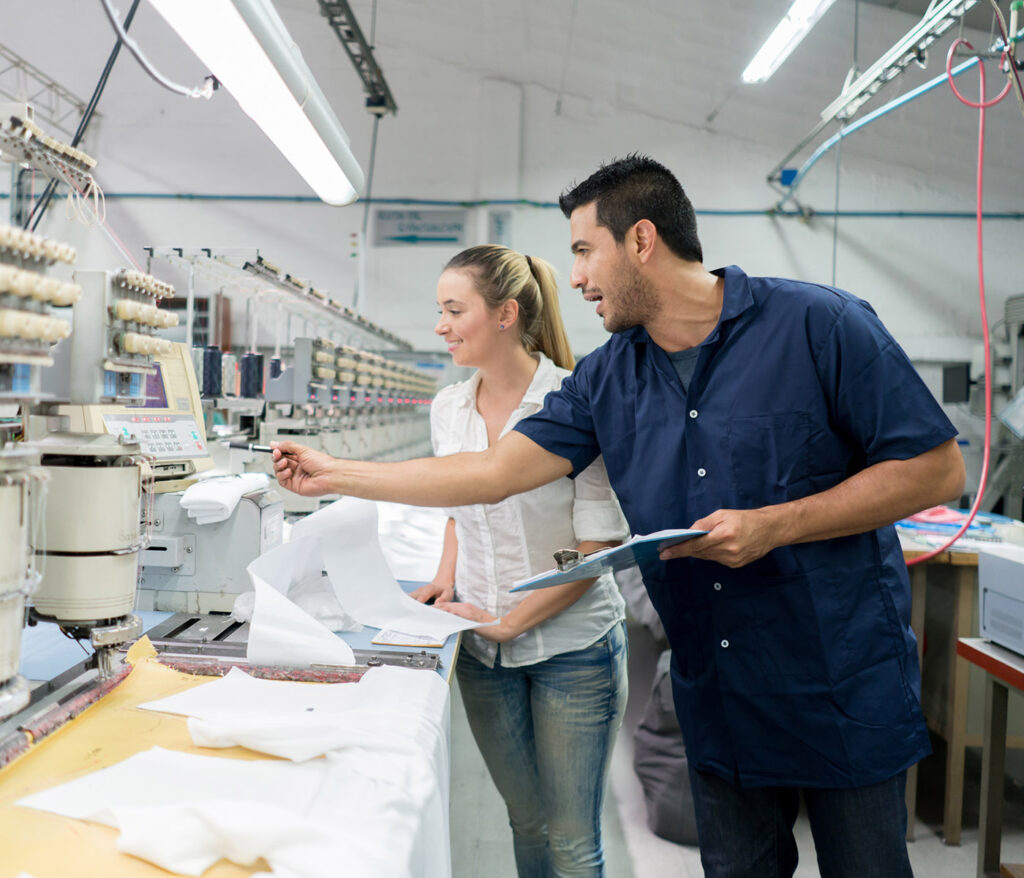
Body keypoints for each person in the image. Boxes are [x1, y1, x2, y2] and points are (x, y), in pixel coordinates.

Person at [273, 155, 966, 878]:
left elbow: (935, 468)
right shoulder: (609, 378)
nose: (573, 278)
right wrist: (335, 471)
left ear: (641, 241)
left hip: (838, 679)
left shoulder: (820, 324)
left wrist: (777, 524)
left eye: (583, 250)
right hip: (719, 690)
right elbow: (492, 471)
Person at [412, 244, 630, 877]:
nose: (440, 325)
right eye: (439, 310)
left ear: (505, 314)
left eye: (455, 310)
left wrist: (512, 621)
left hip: (574, 650)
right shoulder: (448, 408)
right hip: (483, 651)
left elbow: (597, 550)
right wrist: (444, 581)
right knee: (525, 822)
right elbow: (457, 507)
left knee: (570, 840)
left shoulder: (572, 402)